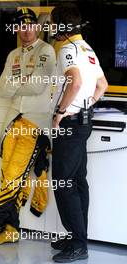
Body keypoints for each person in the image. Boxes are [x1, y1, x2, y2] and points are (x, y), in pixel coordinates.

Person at [0, 8, 56, 246]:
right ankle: (11, 229)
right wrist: (21, 81)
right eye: (21, 26)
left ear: (36, 27)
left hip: (35, 123)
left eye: (29, 25)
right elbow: (1, 90)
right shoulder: (13, 54)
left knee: (14, 176)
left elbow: (37, 87)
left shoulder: (46, 51)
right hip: (12, 120)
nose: (25, 30)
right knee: (7, 176)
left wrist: (15, 83)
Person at [51, 4, 108, 263]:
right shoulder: (87, 48)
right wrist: (88, 105)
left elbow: (74, 81)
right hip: (84, 122)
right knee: (77, 181)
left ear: (61, 27)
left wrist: (61, 112)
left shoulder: (67, 50)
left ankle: (77, 244)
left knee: (63, 183)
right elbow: (102, 84)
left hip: (71, 124)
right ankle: (78, 237)